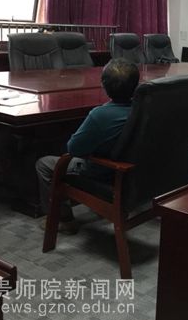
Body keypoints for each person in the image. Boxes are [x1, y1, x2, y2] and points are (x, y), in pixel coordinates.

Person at [35, 58, 139, 233]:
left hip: (103, 172)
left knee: (44, 164)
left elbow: (73, 149)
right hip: (132, 171)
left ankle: (63, 220)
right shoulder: (142, 109)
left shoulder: (100, 115)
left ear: (103, 85)